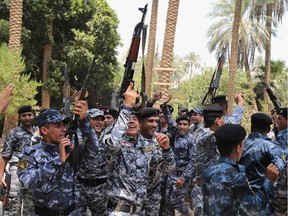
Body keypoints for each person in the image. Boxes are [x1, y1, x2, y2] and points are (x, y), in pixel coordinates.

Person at [103, 82, 175, 215]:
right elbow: (113, 146)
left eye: (135, 119)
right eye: (128, 119)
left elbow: (168, 169)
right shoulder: (115, 140)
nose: (131, 121)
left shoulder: (147, 144)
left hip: (140, 211)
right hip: (119, 211)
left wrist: (167, 150)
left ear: (140, 124)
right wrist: (126, 108)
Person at [202, 124, 279, 215]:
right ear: (238, 148)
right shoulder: (235, 175)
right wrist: (268, 180)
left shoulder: (208, 171)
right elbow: (254, 207)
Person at [17, 108, 81, 215]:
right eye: (58, 126)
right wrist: (57, 160)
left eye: (64, 125)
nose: (64, 129)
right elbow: (26, 181)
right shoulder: (28, 153)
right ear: (44, 130)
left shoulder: (71, 149)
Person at [238, 112, 285, 215]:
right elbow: (282, 170)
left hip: (241, 201)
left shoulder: (239, 146)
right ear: (268, 130)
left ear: (251, 127)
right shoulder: (270, 146)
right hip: (263, 200)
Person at [0, 105, 38, 215]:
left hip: (34, 171)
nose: (27, 118)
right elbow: (5, 155)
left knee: (31, 206)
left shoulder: (39, 131)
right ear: (20, 117)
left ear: (33, 115)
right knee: (13, 203)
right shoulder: (14, 133)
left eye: (29, 115)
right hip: (17, 168)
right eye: (24, 115)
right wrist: (1, 175)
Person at [161, 103, 195, 216]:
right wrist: (165, 106)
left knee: (174, 201)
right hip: (171, 173)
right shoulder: (175, 133)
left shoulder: (190, 139)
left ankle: (190, 213)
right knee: (166, 202)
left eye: (185, 124)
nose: (182, 127)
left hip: (182, 176)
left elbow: (193, 161)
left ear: (189, 126)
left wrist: (183, 178)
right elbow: (169, 119)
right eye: (180, 124)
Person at [74, 105, 109, 215]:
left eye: (101, 119)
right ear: (88, 121)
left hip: (100, 188)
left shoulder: (108, 138)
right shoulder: (79, 137)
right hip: (80, 185)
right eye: (95, 119)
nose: (100, 122)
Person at [191, 104, 225, 216]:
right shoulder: (206, 136)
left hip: (213, 188)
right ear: (217, 120)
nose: (224, 121)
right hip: (204, 190)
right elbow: (228, 133)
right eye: (222, 118)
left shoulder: (204, 133)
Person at [272, 107, 287, 215]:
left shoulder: (285, 135)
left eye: (280, 119)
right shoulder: (282, 133)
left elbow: (283, 158)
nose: (277, 121)